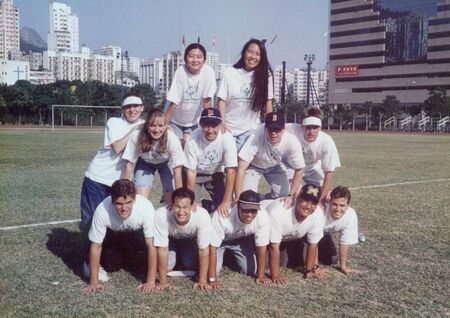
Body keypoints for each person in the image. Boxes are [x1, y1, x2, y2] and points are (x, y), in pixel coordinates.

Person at [80, 95, 144, 269]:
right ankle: (88, 262)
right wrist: (137, 128)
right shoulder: (115, 122)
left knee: (116, 221)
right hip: (97, 179)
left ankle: (110, 257)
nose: (132, 110)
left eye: (136, 106)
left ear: (142, 108)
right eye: (128, 107)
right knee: (91, 220)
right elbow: (117, 147)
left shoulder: (145, 125)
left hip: (119, 183)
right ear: (123, 110)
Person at [82, 179, 157, 293]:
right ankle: (88, 263)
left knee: (141, 266)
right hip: (113, 235)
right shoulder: (102, 209)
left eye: (128, 203)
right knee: (112, 265)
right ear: (112, 201)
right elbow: (96, 246)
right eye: (119, 203)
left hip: (136, 236)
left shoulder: (145, 207)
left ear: (134, 199)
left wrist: (151, 282)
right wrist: (94, 282)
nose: (124, 208)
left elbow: (151, 246)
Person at [235, 111, 304, 205]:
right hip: (254, 166)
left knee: (282, 195)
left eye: (277, 129)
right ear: (265, 128)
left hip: (274, 166)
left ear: (283, 129)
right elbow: (241, 167)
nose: (273, 133)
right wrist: (238, 198)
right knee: (247, 197)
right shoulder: (256, 135)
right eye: (270, 129)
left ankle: (261, 198)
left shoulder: (291, 141)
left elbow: (300, 168)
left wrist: (290, 195)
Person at [217, 38, 274, 150]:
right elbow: (221, 100)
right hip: (228, 130)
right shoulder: (230, 72)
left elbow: (268, 102)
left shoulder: (265, 76)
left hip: (251, 131)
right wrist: (222, 124)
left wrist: (270, 125)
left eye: (258, 54)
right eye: (250, 52)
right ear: (244, 53)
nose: (253, 57)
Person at [208, 190, 271, 288]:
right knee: (212, 270)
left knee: (251, 270)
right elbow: (212, 249)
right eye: (245, 210)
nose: (249, 215)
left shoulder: (263, 216)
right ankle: (207, 205)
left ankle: (230, 256)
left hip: (240, 239)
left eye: (253, 211)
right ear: (237, 206)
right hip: (219, 242)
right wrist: (212, 279)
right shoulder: (222, 215)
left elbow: (262, 247)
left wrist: (261, 275)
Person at [122, 109, 185, 205]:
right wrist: (124, 189)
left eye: (160, 126)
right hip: (145, 163)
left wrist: (180, 195)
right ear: (147, 126)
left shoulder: (172, 138)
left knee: (171, 202)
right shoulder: (137, 135)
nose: (156, 130)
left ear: (166, 126)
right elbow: (129, 164)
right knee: (141, 201)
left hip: (166, 163)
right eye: (152, 125)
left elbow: (177, 171)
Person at [266, 184, 326, 284]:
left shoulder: (318, 213)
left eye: (313, 203)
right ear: (297, 198)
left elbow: (313, 243)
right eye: (305, 200)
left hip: (285, 238)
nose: (308, 206)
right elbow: (273, 246)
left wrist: (310, 270)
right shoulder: (279, 211)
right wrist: (275, 275)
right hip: (258, 236)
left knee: (284, 262)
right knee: (259, 266)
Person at [153, 188, 211, 290]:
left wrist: (202, 281)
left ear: (192, 206)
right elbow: (162, 249)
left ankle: (181, 258)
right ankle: (175, 258)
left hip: (189, 241)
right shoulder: (161, 214)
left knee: (190, 265)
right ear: (172, 204)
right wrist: (163, 282)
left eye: (185, 207)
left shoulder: (202, 215)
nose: (181, 212)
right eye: (177, 206)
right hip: (170, 240)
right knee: (167, 267)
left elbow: (203, 249)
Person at [183, 108, 237, 215]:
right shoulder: (192, 139)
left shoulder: (227, 138)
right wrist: (192, 200)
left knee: (226, 209)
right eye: (206, 125)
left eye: (214, 125)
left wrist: (226, 201)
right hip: (196, 175)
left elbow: (231, 170)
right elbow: (191, 172)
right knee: (193, 210)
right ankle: (202, 204)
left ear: (220, 125)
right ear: (201, 125)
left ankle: (208, 205)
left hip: (215, 174)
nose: (210, 130)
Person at [165, 43, 217, 145]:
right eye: (191, 56)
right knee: (175, 144)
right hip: (175, 119)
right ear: (185, 59)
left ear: (204, 60)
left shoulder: (208, 72)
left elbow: (206, 102)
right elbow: (174, 102)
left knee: (189, 143)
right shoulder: (180, 72)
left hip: (194, 121)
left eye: (199, 57)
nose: (195, 60)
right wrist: (164, 124)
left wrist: (208, 124)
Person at [286, 107, 340, 202]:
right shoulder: (292, 129)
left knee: (326, 195)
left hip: (312, 169)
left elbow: (329, 172)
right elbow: (271, 124)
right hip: (291, 167)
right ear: (301, 125)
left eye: (315, 127)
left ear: (321, 126)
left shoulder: (327, 141)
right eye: (308, 127)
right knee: (291, 192)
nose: (311, 132)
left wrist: (320, 200)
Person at [319, 186, 360, 275]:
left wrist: (343, 267)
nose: (338, 209)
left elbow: (345, 242)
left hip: (323, 234)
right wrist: (314, 267)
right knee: (292, 261)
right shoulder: (320, 211)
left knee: (332, 260)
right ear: (330, 202)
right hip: (307, 235)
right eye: (334, 204)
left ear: (348, 206)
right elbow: (312, 240)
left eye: (342, 205)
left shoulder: (351, 215)